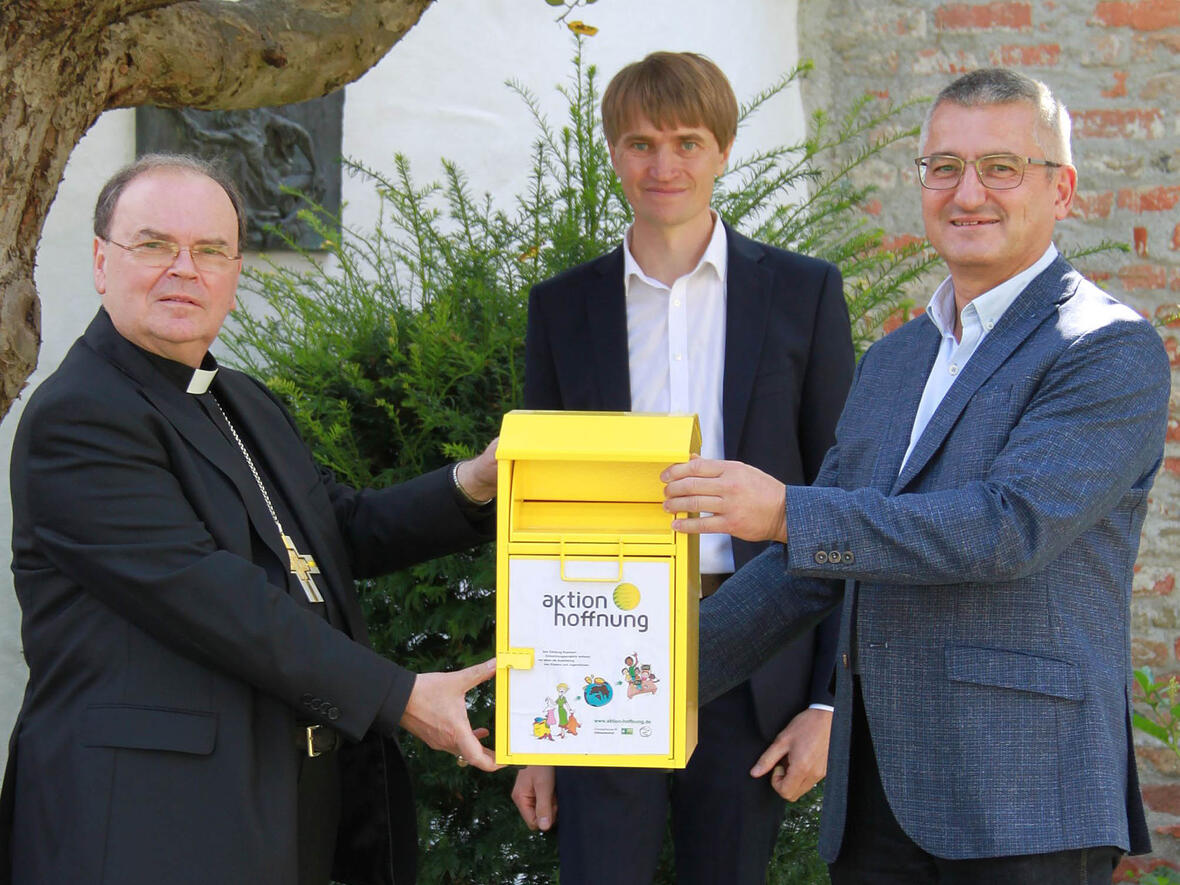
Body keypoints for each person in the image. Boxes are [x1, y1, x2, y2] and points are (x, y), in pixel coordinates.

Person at [663, 68, 1171, 884]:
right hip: (876, 802)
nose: (968, 191)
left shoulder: (1103, 348)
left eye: (1000, 167)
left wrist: (787, 511)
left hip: (1024, 800)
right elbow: (813, 569)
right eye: (943, 168)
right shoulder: (896, 360)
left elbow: (1007, 528)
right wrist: (639, 671)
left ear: (1063, 189)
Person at [0, 154, 501, 885]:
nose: (184, 268)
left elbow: (336, 528)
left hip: (264, 812)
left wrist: (475, 483)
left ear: (235, 271)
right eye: (154, 244)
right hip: (141, 827)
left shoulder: (240, 399)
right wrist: (399, 695)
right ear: (103, 261)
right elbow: (213, 598)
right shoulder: (79, 416)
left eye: (209, 250)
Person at [510, 51, 853, 885]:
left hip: (755, 650)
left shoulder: (803, 293)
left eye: (688, 142)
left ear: (724, 150)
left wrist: (827, 702)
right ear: (613, 153)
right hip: (598, 645)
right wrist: (537, 730)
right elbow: (536, 514)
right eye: (640, 143)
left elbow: (844, 503)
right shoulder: (563, 307)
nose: (664, 166)